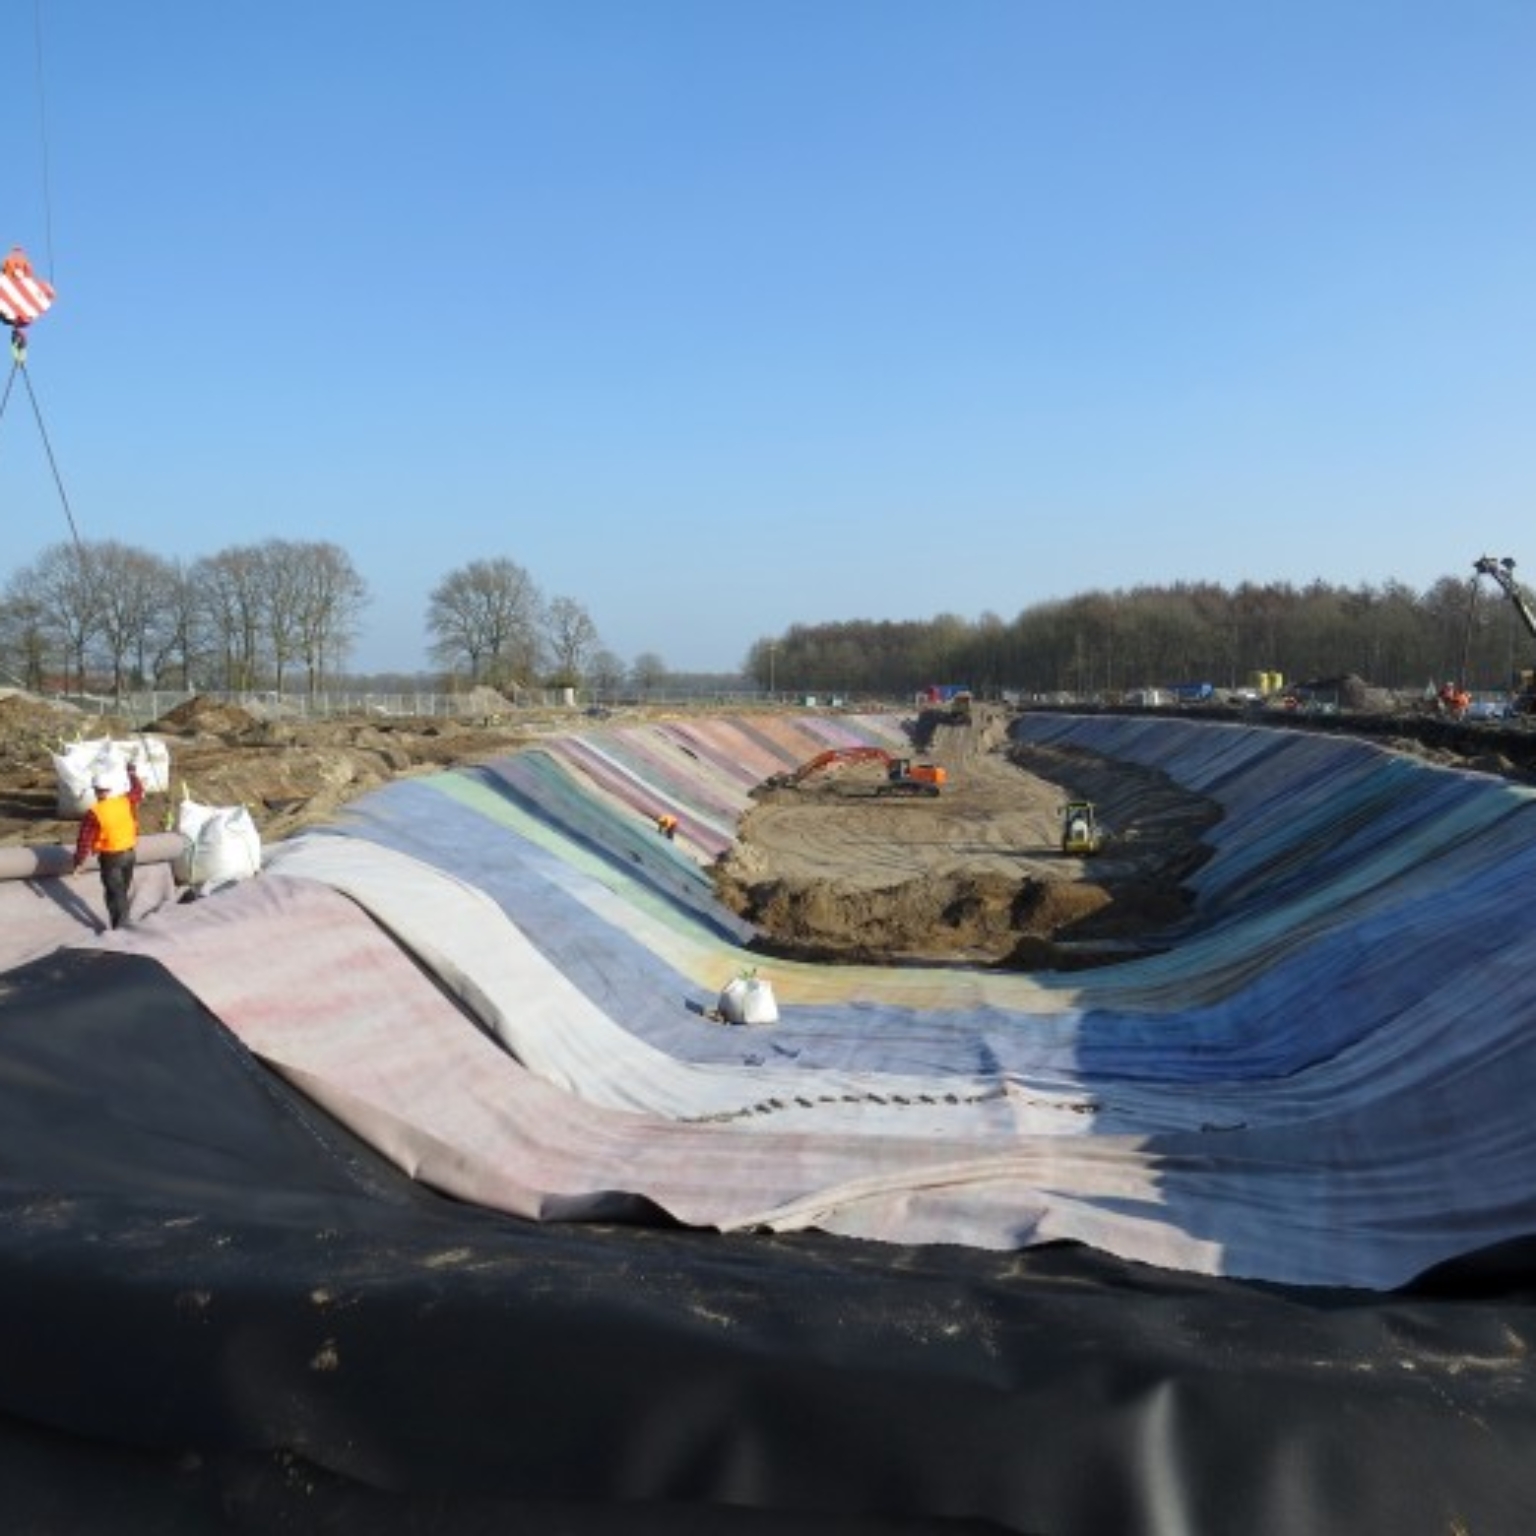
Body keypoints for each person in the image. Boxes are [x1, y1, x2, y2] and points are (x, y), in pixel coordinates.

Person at [73, 761, 145, 930]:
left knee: (115, 893)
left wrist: (78, 862)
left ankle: (121, 930)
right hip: (130, 854)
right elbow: (138, 791)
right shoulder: (124, 801)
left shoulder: (95, 812)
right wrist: (132, 773)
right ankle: (124, 920)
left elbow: (84, 840)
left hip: (111, 858)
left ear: (96, 791)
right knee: (122, 891)